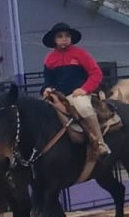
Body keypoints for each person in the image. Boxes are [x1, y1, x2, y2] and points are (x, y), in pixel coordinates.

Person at [42, 21, 110, 156]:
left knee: (83, 107)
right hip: (58, 96)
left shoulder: (80, 54)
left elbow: (96, 73)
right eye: (60, 36)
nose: (64, 39)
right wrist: (46, 89)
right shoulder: (49, 59)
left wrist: (84, 89)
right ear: (54, 40)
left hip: (79, 94)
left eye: (67, 36)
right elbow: (47, 81)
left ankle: (100, 143)